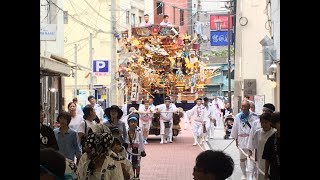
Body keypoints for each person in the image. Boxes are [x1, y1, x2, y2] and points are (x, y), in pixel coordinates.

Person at [230, 100, 259, 180]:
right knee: (242, 159)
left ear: (249, 107)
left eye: (245, 106)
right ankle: (244, 174)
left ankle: (252, 176)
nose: (243, 108)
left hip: (252, 140)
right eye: (242, 106)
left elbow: (257, 129)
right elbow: (235, 128)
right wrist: (235, 139)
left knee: (253, 159)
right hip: (241, 140)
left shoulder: (255, 116)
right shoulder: (238, 116)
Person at [247, 113, 276, 180]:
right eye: (262, 123)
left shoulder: (274, 132)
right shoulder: (257, 132)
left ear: (270, 122)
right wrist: (253, 156)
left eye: (266, 122)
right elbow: (255, 146)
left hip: (271, 161)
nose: (264, 125)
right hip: (260, 160)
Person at [125, 115, 146, 179]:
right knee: (130, 163)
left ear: (137, 123)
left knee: (137, 164)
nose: (133, 123)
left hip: (137, 151)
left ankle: (137, 176)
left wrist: (143, 150)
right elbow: (125, 141)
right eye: (131, 122)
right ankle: (132, 176)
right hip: (129, 151)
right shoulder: (126, 131)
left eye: (135, 122)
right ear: (128, 123)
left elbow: (141, 142)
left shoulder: (139, 132)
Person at [262, 112, 280, 180]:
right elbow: (267, 159)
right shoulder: (271, 140)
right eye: (278, 122)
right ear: (274, 124)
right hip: (275, 173)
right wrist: (266, 174)